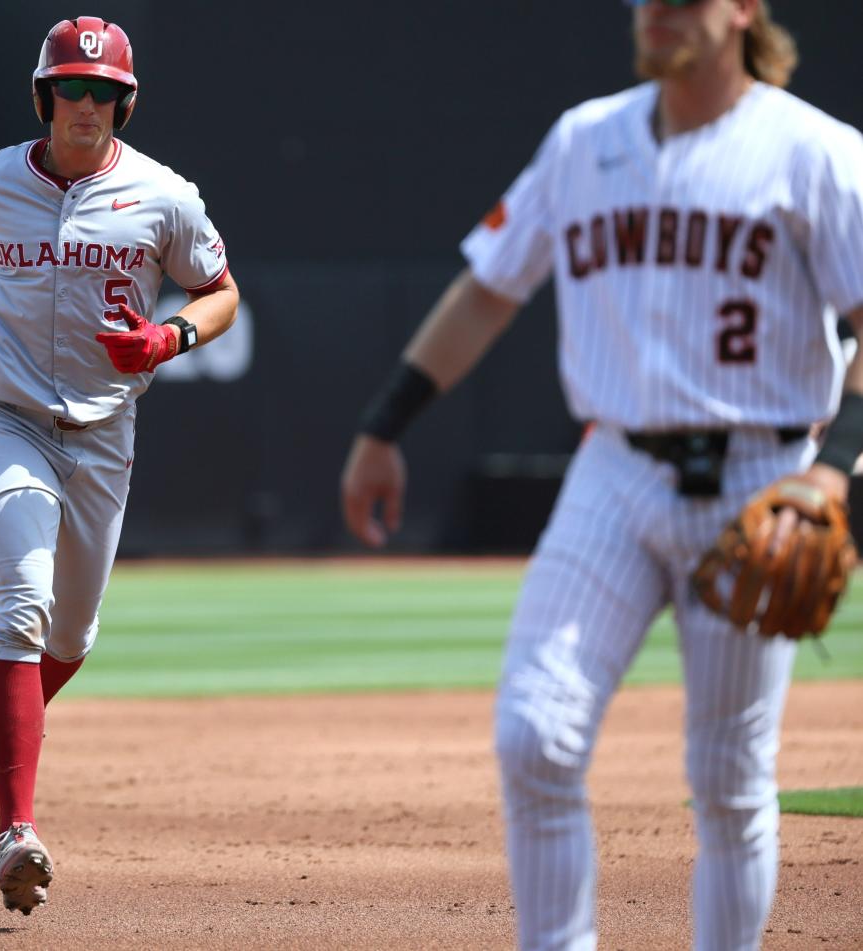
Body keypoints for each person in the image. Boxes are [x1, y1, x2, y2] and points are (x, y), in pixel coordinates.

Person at [339, 1, 863, 948]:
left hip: (761, 475)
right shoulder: (585, 140)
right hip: (613, 470)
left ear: (743, 9)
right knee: (534, 735)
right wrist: (386, 424)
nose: (654, 10)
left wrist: (833, 472)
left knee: (731, 777)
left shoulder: (816, 152)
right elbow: (489, 287)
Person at [0, 16, 237, 914]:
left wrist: (168, 335)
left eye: (102, 92)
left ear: (124, 105)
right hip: (9, 417)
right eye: (70, 87)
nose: (85, 104)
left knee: (70, 637)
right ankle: (17, 826)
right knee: (20, 607)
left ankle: (8, 726)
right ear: (44, 96)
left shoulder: (163, 195)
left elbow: (220, 292)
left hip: (103, 432)